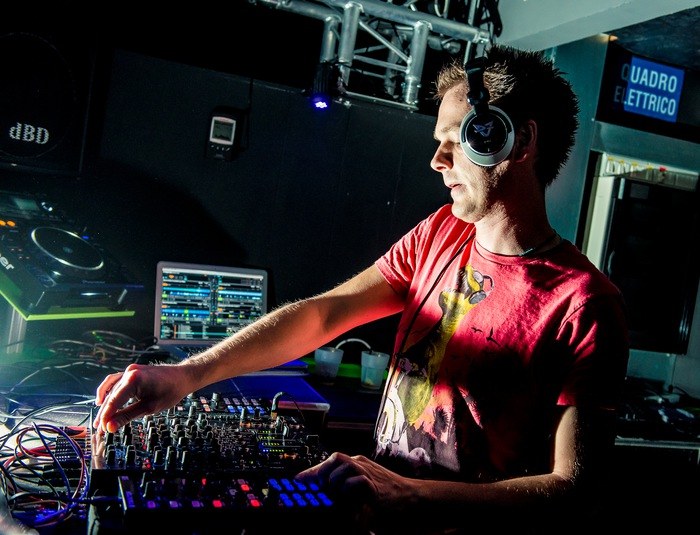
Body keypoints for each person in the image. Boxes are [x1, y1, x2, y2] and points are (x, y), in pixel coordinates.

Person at [93, 44, 629, 534]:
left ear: (519, 141)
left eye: (455, 141)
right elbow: (326, 314)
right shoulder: (440, 232)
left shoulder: (585, 303)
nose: (437, 161)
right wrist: (189, 374)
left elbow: (574, 491)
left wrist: (408, 494)